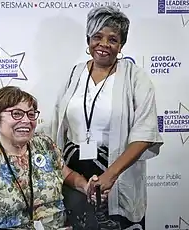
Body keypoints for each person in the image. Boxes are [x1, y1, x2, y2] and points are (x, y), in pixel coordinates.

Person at [44, 6, 164, 230]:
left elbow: (145, 133)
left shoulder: (136, 78)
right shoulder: (74, 74)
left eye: (113, 39)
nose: (104, 44)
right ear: (88, 40)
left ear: (121, 46)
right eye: (97, 37)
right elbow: (57, 123)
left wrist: (110, 175)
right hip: (74, 173)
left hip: (116, 174)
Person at [0, 86, 104, 230]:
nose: (27, 120)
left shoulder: (44, 144)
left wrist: (86, 187)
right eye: (17, 114)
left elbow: (68, 175)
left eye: (31, 114)